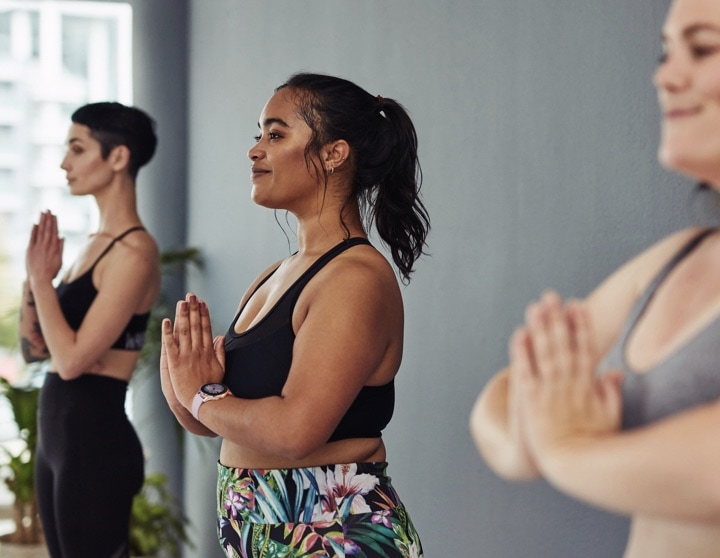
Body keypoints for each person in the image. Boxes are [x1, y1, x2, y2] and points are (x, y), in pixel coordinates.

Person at [470, 1, 720, 557]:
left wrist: (564, 448)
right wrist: (528, 444)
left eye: (702, 49)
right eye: (666, 52)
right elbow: (505, 394)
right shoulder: (675, 261)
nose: (665, 75)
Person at [160, 72, 428, 557]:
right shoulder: (274, 276)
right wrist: (182, 384)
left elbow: (295, 431)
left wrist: (200, 397)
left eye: (276, 134)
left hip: (332, 534)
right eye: (258, 134)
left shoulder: (354, 278)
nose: (255, 149)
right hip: (257, 528)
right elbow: (222, 420)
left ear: (333, 153)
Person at [19, 102, 160, 558]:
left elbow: (74, 360)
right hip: (58, 437)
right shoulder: (91, 248)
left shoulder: (134, 253)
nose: (64, 163)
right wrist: (33, 283)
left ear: (118, 157)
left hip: (94, 443)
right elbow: (35, 351)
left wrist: (43, 282)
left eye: (77, 149)